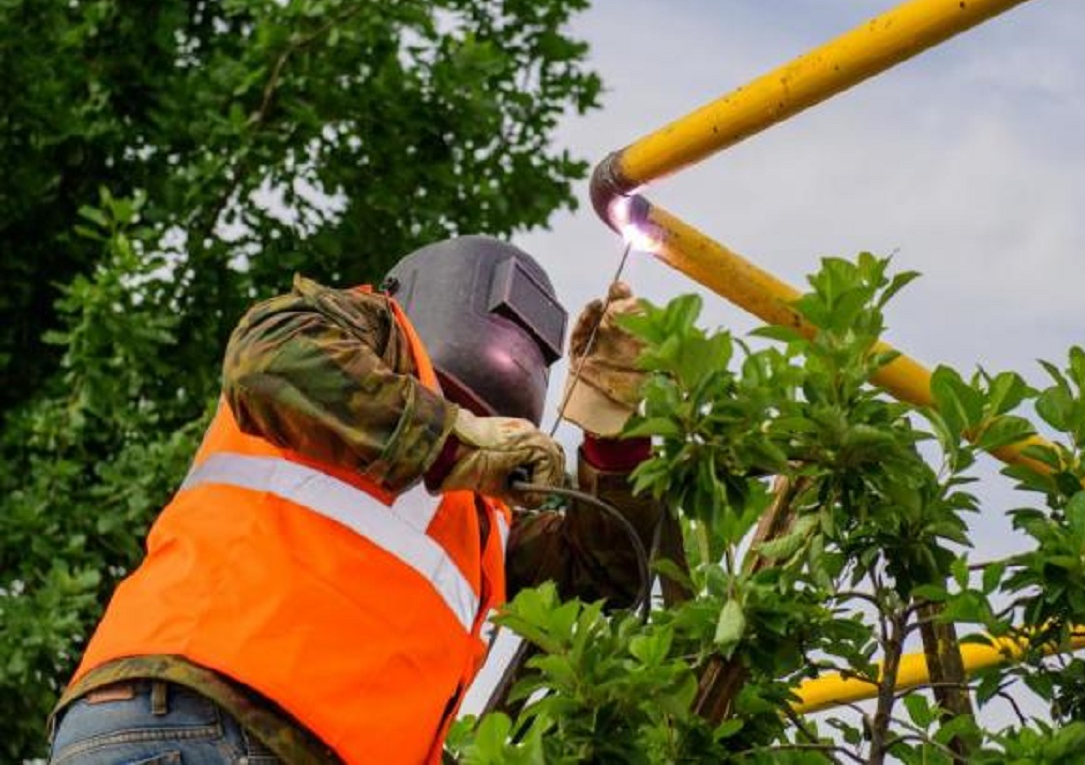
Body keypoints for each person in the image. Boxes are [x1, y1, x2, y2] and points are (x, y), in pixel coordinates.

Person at [47, 236, 656, 765]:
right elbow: (268, 355)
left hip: (211, 732)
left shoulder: (482, 518)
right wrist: (452, 441)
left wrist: (612, 426)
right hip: (207, 716)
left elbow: (605, 572)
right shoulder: (374, 338)